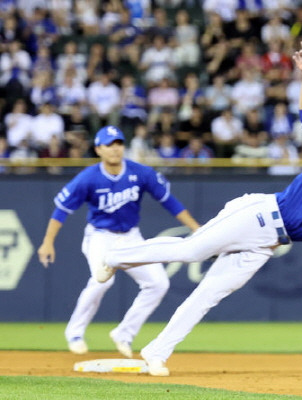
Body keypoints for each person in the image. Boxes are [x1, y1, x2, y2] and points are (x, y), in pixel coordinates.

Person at [93, 41, 302, 376]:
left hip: (269, 243)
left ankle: (157, 351)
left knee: (209, 293)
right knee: (192, 249)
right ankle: (113, 257)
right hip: (259, 215)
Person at [37, 125, 200, 358]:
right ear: (98, 149)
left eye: (119, 143)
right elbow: (61, 210)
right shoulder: (89, 177)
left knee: (158, 283)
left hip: (131, 238)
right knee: (102, 281)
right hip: (100, 237)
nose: (115, 149)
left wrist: (195, 227)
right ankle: (74, 332)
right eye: (109, 145)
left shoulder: (141, 173)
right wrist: (47, 242)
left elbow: (169, 202)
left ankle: (124, 333)